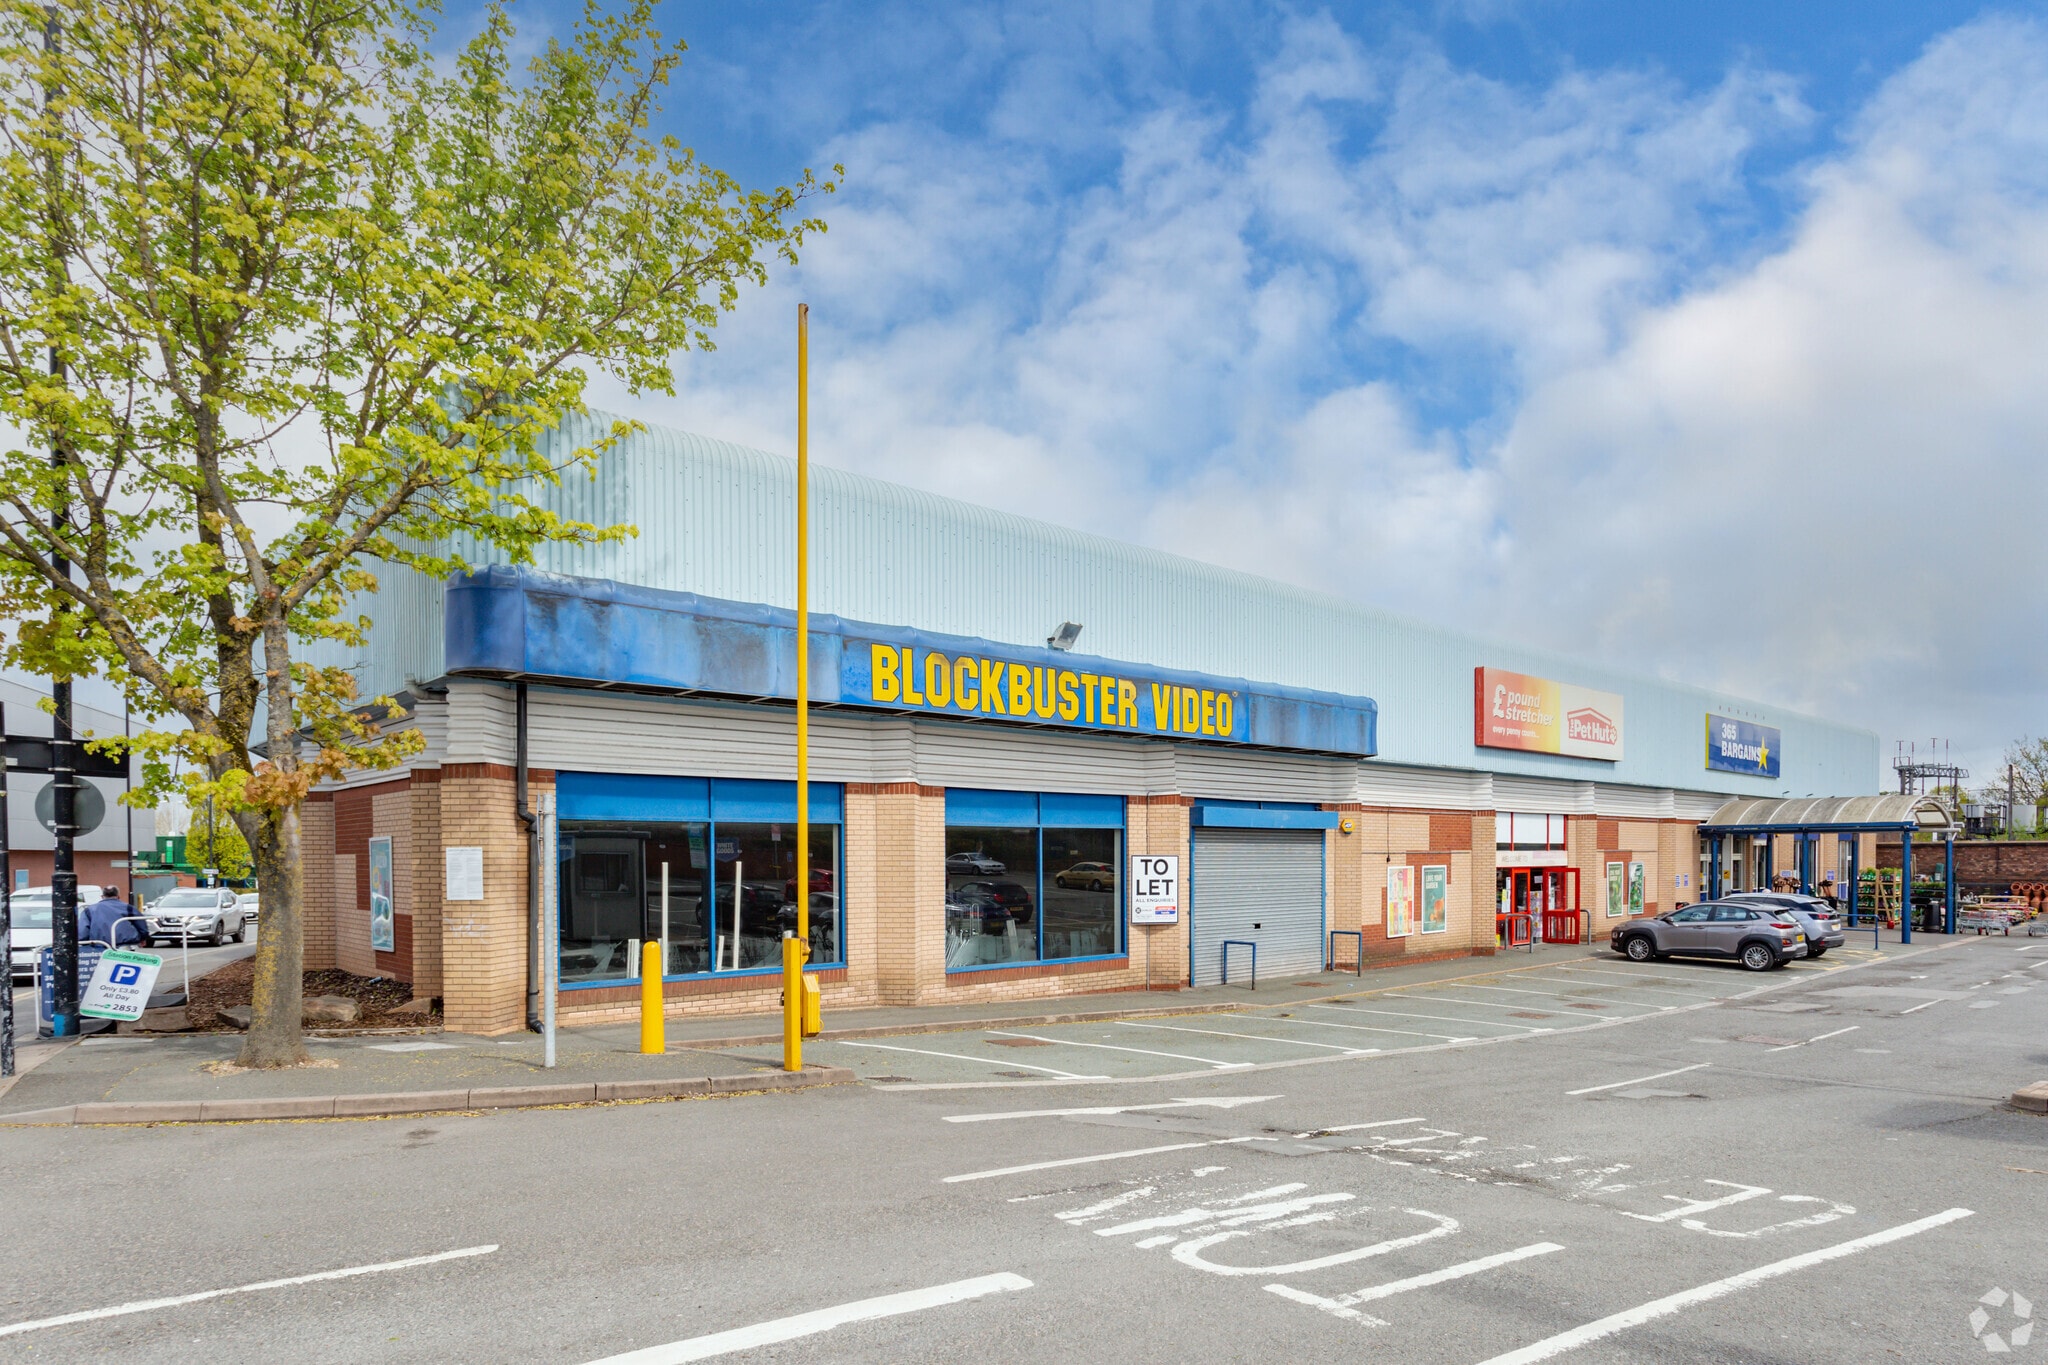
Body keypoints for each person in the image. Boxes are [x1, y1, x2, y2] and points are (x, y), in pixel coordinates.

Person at [78, 884, 145, 947]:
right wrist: (143, 938)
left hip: (99, 946)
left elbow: (82, 932)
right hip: (125, 945)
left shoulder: (89, 910)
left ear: (102, 897)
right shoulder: (129, 908)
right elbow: (141, 925)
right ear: (118, 896)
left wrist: (85, 944)